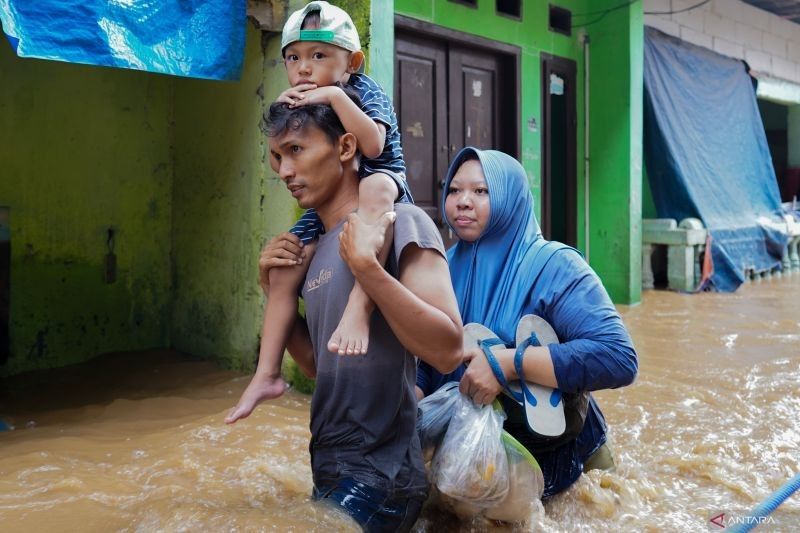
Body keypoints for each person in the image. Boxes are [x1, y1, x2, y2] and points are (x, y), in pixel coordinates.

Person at [227, 99, 463, 532]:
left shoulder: (403, 222)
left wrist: (368, 270)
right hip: (330, 467)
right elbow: (320, 364)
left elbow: (449, 349)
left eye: (296, 150)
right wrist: (272, 291)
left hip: (383, 478)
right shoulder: (312, 254)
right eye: (277, 157)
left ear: (346, 147)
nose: (283, 171)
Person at [416, 147, 638, 499]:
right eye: (455, 190)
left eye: (481, 191)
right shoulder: (438, 268)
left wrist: (509, 364)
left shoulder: (555, 266)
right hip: (478, 462)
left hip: (565, 459)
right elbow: (431, 358)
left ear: (510, 198)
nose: (462, 201)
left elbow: (618, 357)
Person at [260, 0, 411, 386]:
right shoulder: (296, 100)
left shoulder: (363, 91)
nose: (304, 68)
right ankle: (266, 374)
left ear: (352, 63)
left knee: (376, 187)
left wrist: (336, 98)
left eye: (318, 55)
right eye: (293, 58)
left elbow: (374, 147)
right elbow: (278, 161)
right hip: (337, 200)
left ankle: (360, 305)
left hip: (382, 177)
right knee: (286, 260)